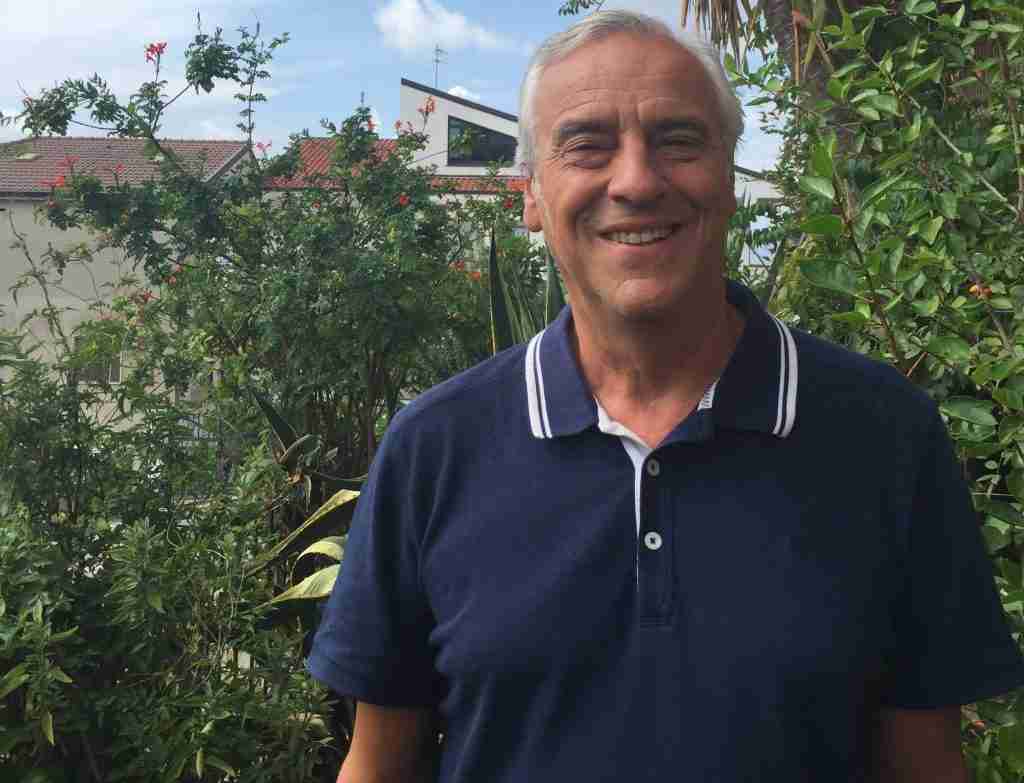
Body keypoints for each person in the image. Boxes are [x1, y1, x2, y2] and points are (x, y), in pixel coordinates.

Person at [308, 11, 1024, 782]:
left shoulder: (885, 436)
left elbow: (927, 765)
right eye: (588, 145)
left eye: (679, 140)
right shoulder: (434, 448)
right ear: (531, 195)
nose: (638, 181)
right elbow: (377, 764)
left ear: (730, 178)